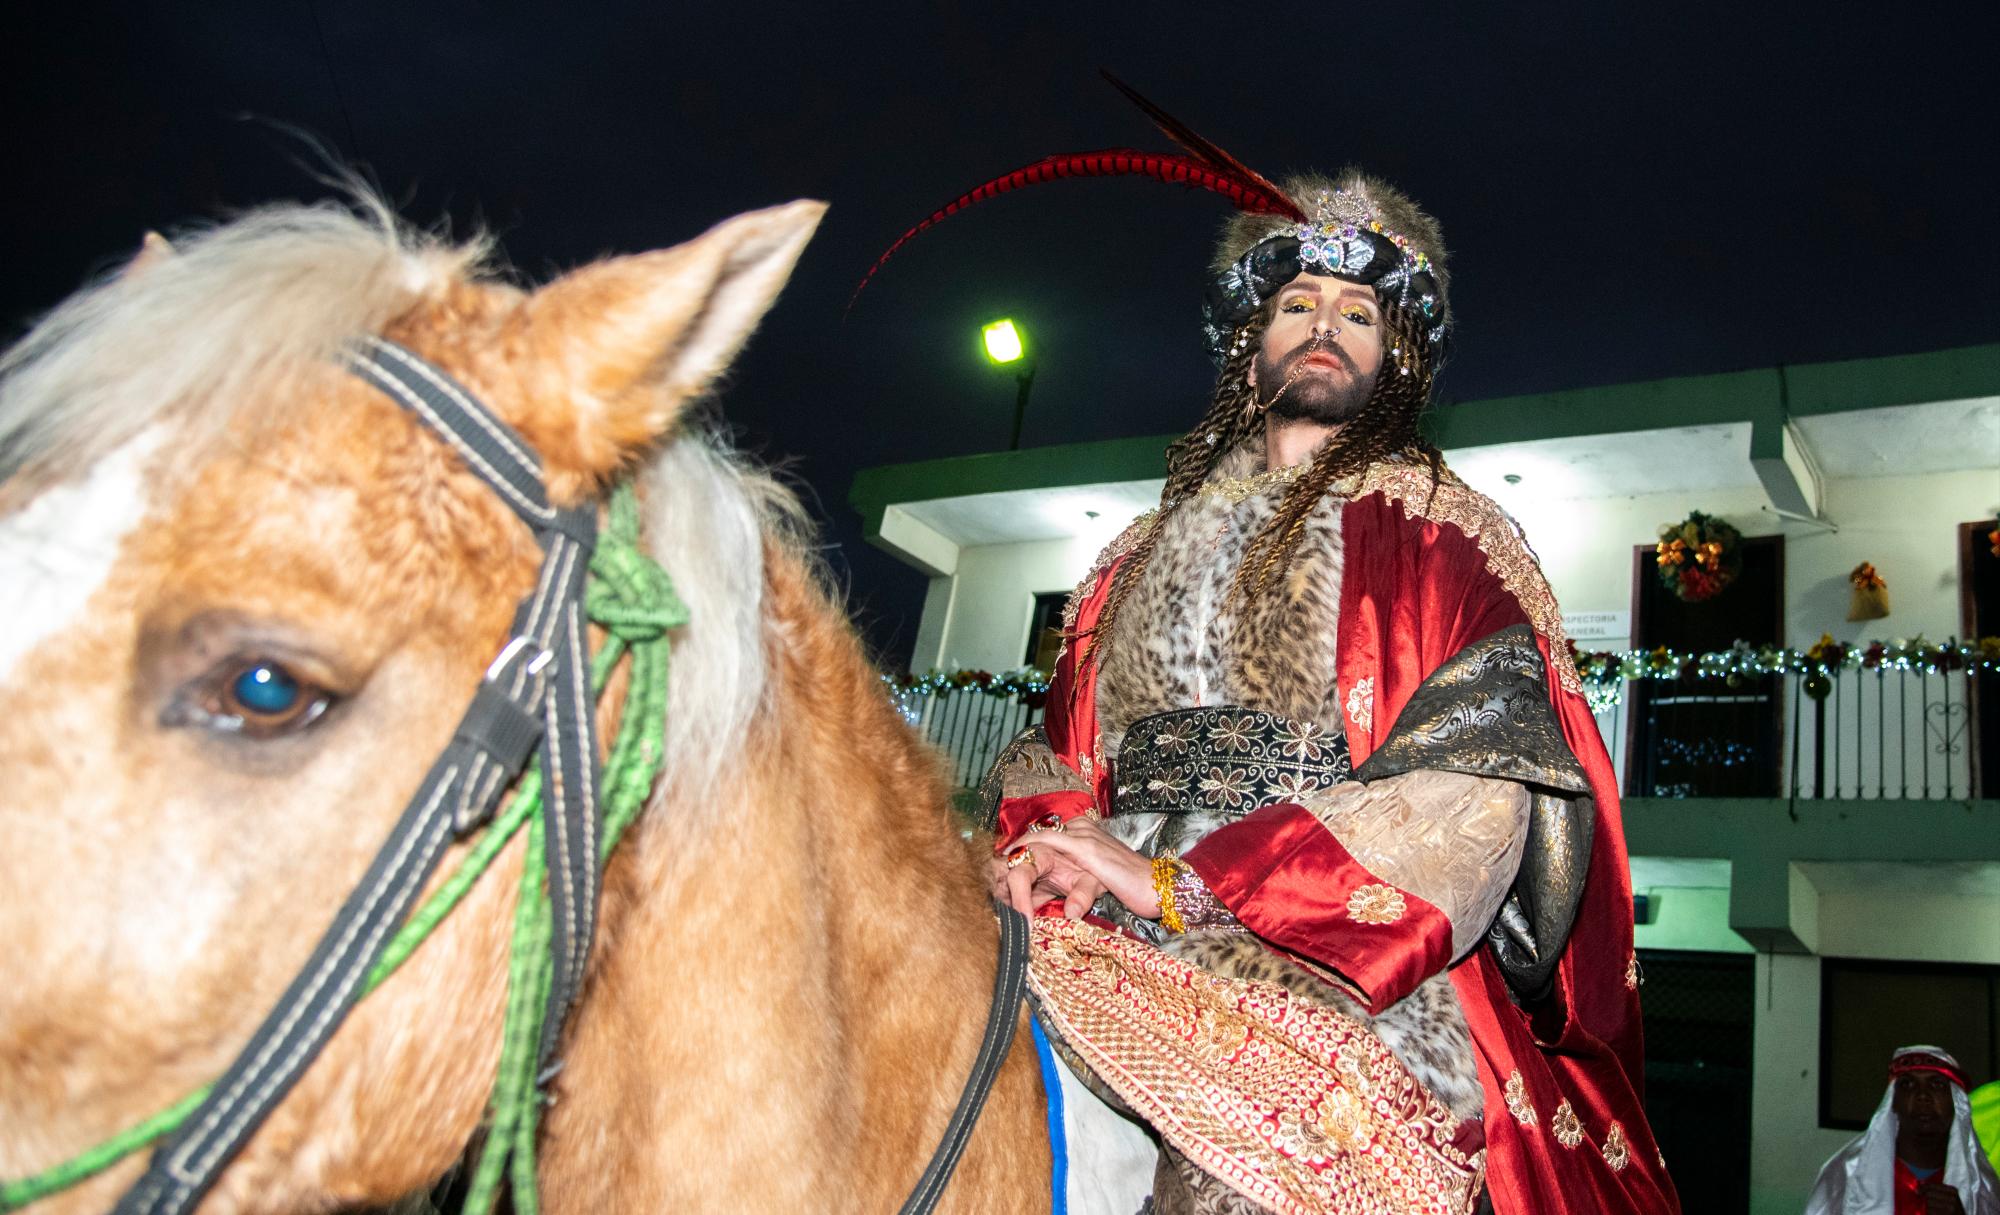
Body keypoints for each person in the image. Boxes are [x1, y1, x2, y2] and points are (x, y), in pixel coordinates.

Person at [1808, 1046, 2000, 1215]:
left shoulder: (1980, 1184)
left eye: (1937, 1085)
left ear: (1956, 1104)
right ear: (1892, 1102)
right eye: (1908, 1085)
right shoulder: (1847, 1174)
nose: (1922, 1095)